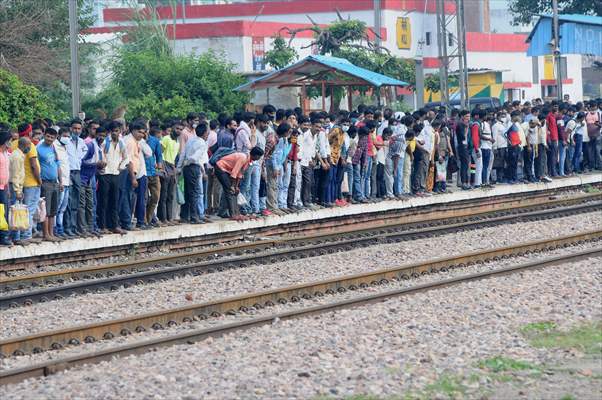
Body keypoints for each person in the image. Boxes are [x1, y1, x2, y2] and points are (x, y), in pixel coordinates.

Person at [214, 146, 264, 221]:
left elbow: (239, 174)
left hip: (227, 170)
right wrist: (233, 186)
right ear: (255, 155)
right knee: (230, 191)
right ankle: (233, 214)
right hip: (221, 168)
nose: (259, 158)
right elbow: (234, 173)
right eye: (259, 156)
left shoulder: (248, 160)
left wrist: (236, 187)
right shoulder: (243, 157)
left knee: (233, 192)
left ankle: (230, 212)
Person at [99, 121, 128, 234]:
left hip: (115, 174)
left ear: (120, 131)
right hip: (105, 174)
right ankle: (103, 226)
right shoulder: (105, 143)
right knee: (104, 201)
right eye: (113, 131)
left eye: (117, 131)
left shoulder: (121, 143)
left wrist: (120, 167)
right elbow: (100, 155)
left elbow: (126, 158)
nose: (115, 133)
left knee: (114, 201)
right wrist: (103, 165)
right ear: (109, 132)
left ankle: (114, 225)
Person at [177, 121, 208, 224]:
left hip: (186, 168)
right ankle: (194, 217)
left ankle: (184, 216)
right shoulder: (202, 143)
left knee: (187, 192)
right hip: (193, 168)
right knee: (194, 193)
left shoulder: (191, 140)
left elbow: (183, 153)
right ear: (204, 133)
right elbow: (195, 158)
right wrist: (188, 162)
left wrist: (179, 167)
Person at [36, 128, 63, 241]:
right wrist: (39, 180)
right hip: (45, 183)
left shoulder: (54, 147)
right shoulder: (39, 148)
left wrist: (61, 181)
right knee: (45, 210)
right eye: (48, 136)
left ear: (55, 138)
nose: (49, 139)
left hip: (55, 183)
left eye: (52, 137)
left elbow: (58, 166)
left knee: (53, 210)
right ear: (44, 135)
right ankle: (45, 234)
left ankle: (51, 233)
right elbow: (35, 166)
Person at [64, 119, 88, 237]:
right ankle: (67, 227)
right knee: (68, 201)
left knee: (76, 200)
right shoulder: (65, 141)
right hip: (68, 173)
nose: (76, 131)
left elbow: (84, 155)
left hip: (78, 173)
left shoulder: (82, 142)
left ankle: (73, 228)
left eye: (79, 129)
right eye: (74, 128)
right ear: (70, 128)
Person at [158, 120, 180, 224]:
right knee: (164, 194)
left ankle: (169, 217)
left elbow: (174, 158)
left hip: (172, 168)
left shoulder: (177, 142)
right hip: (165, 166)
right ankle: (163, 218)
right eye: (177, 129)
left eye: (180, 129)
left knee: (170, 195)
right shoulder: (166, 139)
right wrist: (162, 168)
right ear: (172, 129)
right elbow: (160, 154)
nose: (178, 131)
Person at [54, 128, 71, 238]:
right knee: (57, 207)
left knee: (63, 208)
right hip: (58, 182)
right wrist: (59, 181)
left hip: (67, 181)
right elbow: (57, 165)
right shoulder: (54, 146)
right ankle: (55, 228)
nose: (67, 138)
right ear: (59, 135)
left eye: (68, 136)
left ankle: (60, 229)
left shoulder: (65, 146)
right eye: (65, 136)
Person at [145, 127, 163, 227]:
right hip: (143, 173)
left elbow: (159, 155)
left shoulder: (155, 141)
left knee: (155, 197)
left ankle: (149, 218)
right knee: (144, 198)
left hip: (153, 172)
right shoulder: (139, 142)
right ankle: (144, 220)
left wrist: (159, 165)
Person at [0, 127, 11, 246]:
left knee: (4, 212)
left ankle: (4, 235)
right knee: (1, 212)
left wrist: (7, 187)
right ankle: (3, 237)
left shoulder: (5, 154)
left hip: (5, 187)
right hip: (0, 188)